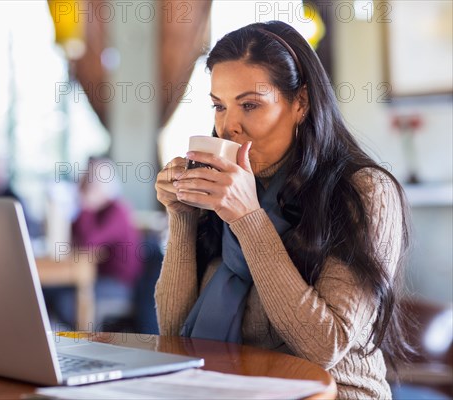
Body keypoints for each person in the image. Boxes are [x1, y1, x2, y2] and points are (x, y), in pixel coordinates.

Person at [154, 21, 412, 399]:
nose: (228, 128)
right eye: (219, 106)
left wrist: (249, 220)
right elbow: (177, 340)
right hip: (231, 391)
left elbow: (323, 347)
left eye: (250, 105)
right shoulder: (223, 191)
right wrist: (182, 215)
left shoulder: (364, 191)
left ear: (301, 103)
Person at [45, 157, 143, 329]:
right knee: (45, 292)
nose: (84, 187)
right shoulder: (94, 211)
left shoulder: (117, 211)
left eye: (91, 182)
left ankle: (80, 344)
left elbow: (87, 243)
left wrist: (85, 205)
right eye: (85, 180)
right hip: (91, 277)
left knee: (66, 302)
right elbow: (71, 238)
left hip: (117, 283)